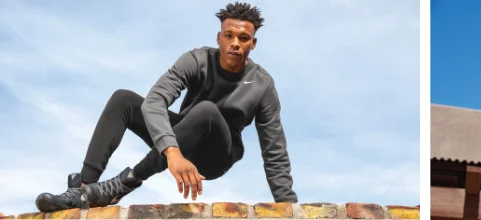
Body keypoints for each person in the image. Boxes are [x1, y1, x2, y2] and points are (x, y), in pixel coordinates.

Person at [35, 2, 297, 212]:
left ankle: (123, 184)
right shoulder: (197, 59)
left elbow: (274, 148)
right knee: (123, 99)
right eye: (229, 35)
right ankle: (82, 189)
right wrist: (172, 152)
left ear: (253, 43)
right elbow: (155, 101)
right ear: (219, 37)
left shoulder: (262, 84)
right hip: (183, 139)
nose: (235, 43)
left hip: (217, 155)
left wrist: (291, 207)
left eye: (243, 37)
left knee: (206, 110)